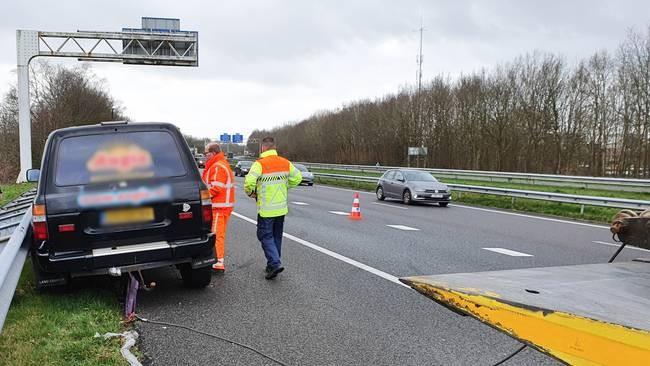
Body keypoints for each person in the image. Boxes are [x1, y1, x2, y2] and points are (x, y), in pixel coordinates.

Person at [244, 137, 302, 280]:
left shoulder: (259, 164)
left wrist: (251, 192)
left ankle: (275, 263)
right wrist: (284, 187)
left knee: (264, 235)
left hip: (266, 209)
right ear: (274, 148)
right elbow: (298, 178)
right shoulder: (285, 162)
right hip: (281, 208)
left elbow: (249, 182)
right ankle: (272, 264)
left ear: (263, 148)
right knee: (276, 236)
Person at [201, 142, 235, 273]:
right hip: (220, 207)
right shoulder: (218, 164)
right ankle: (217, 260)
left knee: (216, 235)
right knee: (217, 234)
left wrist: (201, 197)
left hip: (219, 208)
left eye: (206, 153)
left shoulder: (217, 166)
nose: (204, 156)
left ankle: (218, 263)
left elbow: (216, 187)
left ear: (213, 153)